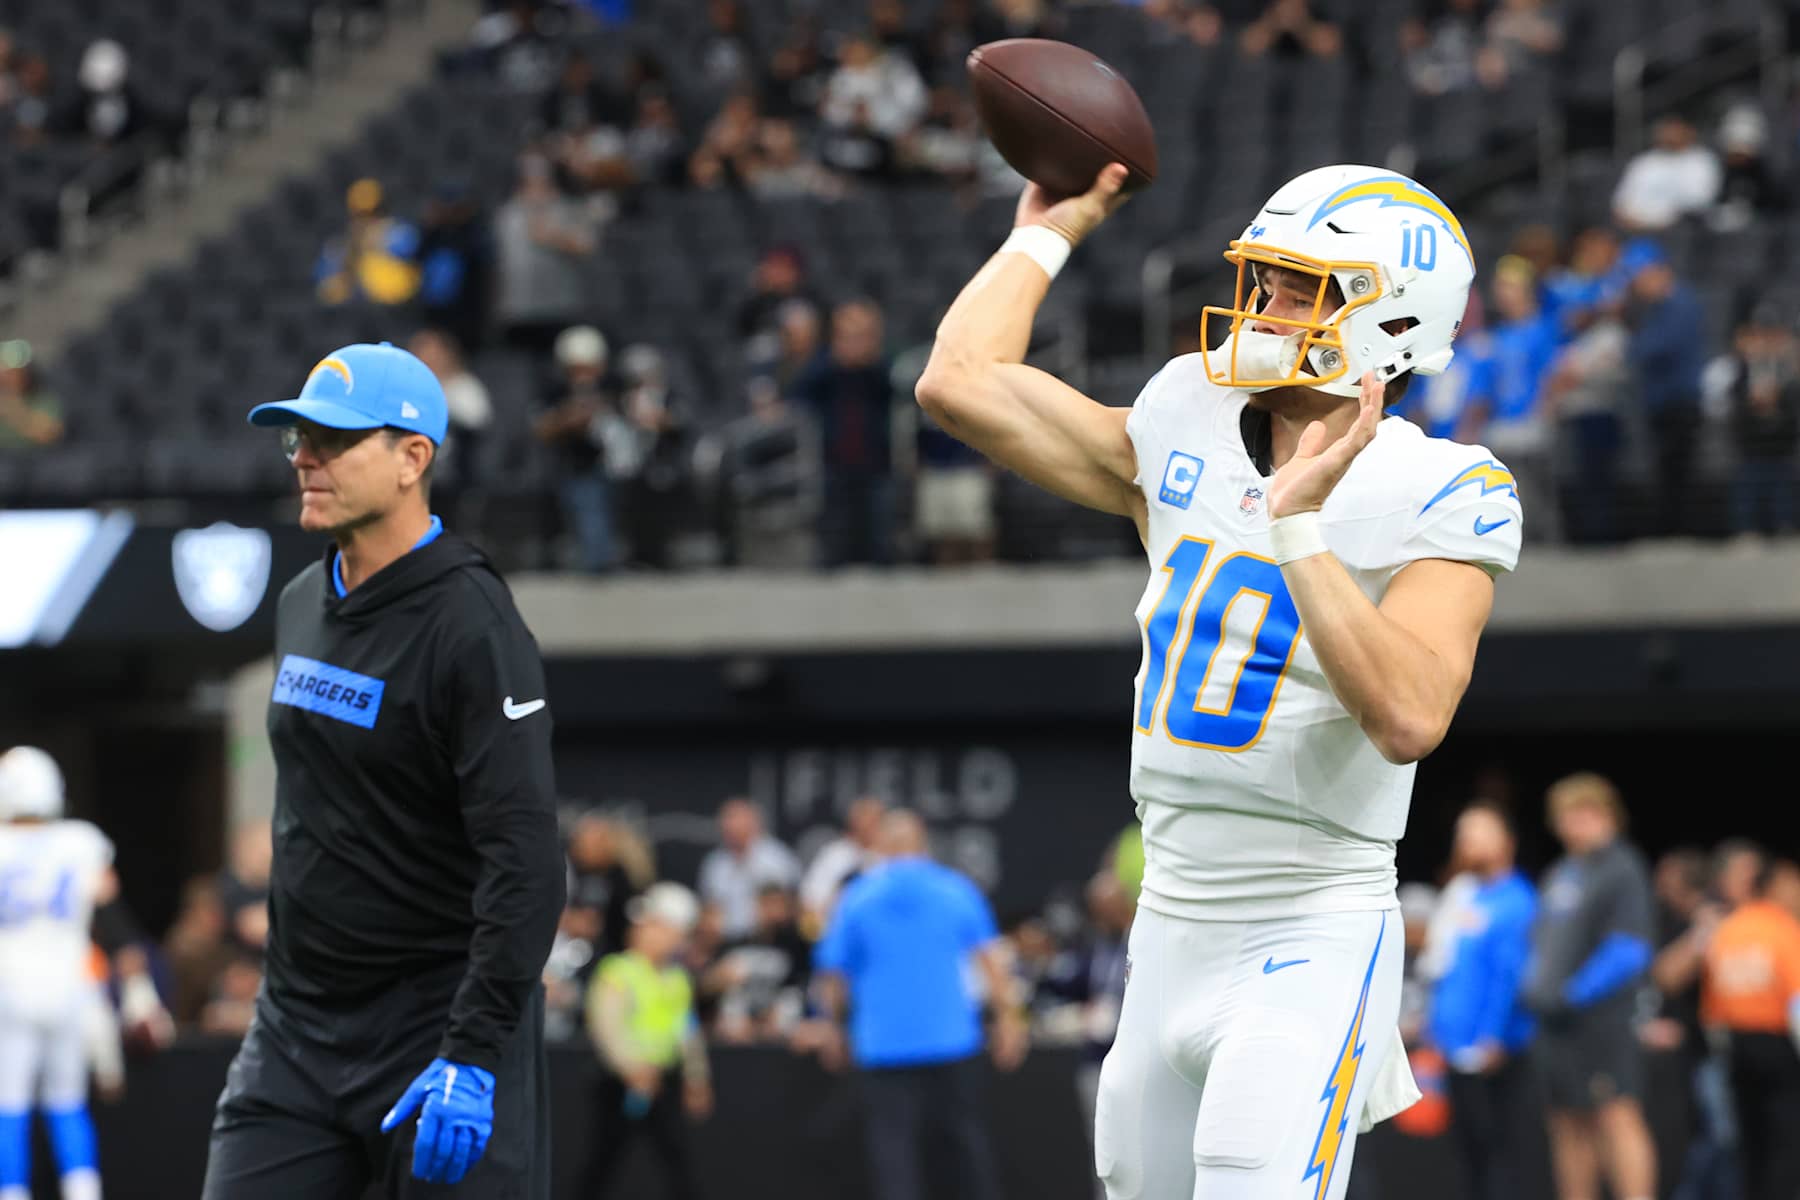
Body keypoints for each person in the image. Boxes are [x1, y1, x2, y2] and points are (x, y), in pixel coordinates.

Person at [914, 160, 1521, 1198]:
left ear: (1392, 321)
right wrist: (1049, 233)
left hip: (1312, 915)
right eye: (1267, 280)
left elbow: (1411, 714)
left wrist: (1298, 530)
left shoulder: (1444, 486)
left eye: (1302, 288)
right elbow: (956, 383)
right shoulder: (1187, 412)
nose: (1265, 307)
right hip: (1173, 915)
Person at [203, 342, 566, 1197]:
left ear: (413, 458)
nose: (304, 458)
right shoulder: (300, 601)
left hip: (436, 1040)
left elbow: (528, 862)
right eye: (297, 438)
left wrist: (472, 1053)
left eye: (333, 440)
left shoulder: (474, 627)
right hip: (293, 1034)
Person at [812, 810, 1026, 1200]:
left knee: (894, 1156)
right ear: (923, 843)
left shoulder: (856, 898)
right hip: (952, 1041)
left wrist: (831, 1028)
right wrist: (1010, 1021)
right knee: (965, 1147)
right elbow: (992, 963)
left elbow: (833, 976)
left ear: (881, 846)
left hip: (882, 1046)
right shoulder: (955, 890)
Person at [0, 746, 172, 1200]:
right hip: (69, 988)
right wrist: (139, 989)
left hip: (9, 992)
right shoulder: (81, 842)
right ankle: (82, 1192)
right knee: (67, 1101)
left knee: (9, 1105)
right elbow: (112, 918)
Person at [1523, 772, 1658, 1200]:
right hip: (1552, 1023)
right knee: (1565, 1121)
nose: (1575, 823)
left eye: (1585, 812)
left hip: (1600, 1020)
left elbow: (1630, 948)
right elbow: (1541, 946)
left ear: (1608, 816)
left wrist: (1574, 994)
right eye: (1566, 815)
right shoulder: (1561, 873)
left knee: (1616, 1117)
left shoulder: (1622, 868)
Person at [1422, 803, 1539, 1200]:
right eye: (1462, 832)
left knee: (1497, 1154)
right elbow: (1443, 965)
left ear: (1507, 841)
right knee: (1465, 1153)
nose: (1466, 841)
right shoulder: (1464, 895)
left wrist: (1494, 1037)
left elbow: (1511, 978)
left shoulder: (1516, 900)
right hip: (1452, 1043)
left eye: (1478, 831)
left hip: (1490, 1050)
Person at [582, 882, 712, 1200]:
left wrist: (697, 1078)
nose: (641, 930)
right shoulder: (617, 971)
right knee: (603, 1160)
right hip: (620, 1085)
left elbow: (687, 1032)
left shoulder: (677, 978)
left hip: (662, 1082)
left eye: (655, 925)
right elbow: (606, 1028)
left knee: (677, 1161)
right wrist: (631, 1068)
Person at [1702, 846, 1800, 1200]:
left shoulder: (1729, 929)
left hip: (1736, 1050)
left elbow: (1712, 1008)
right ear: (1772, 887)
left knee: (1750, 1142)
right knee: (1786, 1143)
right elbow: (1797, 1002)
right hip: (1778, 1049)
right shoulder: (1782, 928)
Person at [696, 798, 799, 941]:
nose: (730, 826)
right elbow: (709, 909)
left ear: (754, 824)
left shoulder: (776, 859)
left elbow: (785, 909)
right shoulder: (715, 863)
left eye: (736, 820)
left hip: (768, 941)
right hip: (724, 941)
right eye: (726, 821)